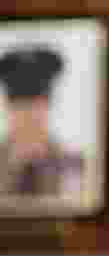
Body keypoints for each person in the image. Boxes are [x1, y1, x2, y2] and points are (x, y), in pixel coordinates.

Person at [0, 45, 86, 200]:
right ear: (8, 107)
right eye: (21, 105)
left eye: (36, 104)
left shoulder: (73, 167)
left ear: (48, 106)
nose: (29, 114)